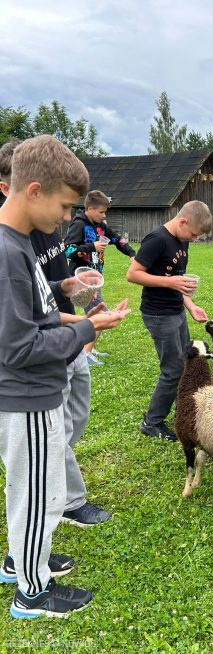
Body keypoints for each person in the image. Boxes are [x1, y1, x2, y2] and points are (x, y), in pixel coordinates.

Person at [0, 135, 130, 618]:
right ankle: (32, 592)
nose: (66, 217)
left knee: (33, 488)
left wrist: (70, 298)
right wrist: (86, 330)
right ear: (34, 190)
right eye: (64, 206)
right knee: (37, 493)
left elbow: (35, 311)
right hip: (27, 397)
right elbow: (19, 348)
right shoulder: (7, 253)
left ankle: (21, 560)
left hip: (34, 394)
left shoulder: (18, 244)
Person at [126, 201, 212, 441]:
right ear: (183, 221)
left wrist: (191, 305)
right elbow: (132, 274)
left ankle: (182, 410)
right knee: (173, 370)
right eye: (193, 234)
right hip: (158, 314)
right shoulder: (157, 240)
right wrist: (170, 282)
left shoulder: (182, 240)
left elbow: (177, 279)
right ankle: (151, 422)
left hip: (176, 311)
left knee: (185, 362)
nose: (194, 239)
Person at [64, 190, 136, 365]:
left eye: (105, 212)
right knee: (99, 313)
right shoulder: (78, 225)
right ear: (89, 208)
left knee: (95, 313)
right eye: (101, 212)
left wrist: (132, 254)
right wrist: (91, 247)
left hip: (95, 277)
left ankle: (88, 348)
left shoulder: (100, 226)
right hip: (81, 278)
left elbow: (117, 239)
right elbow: (68, 250)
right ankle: (85, 354)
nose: (104, 216)